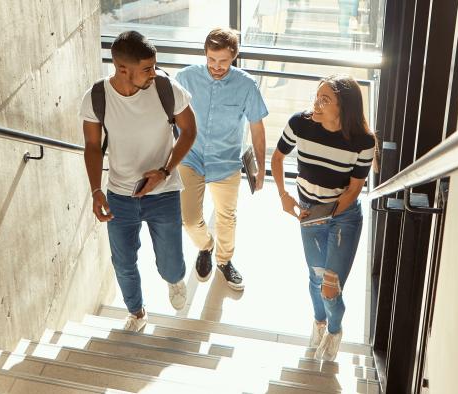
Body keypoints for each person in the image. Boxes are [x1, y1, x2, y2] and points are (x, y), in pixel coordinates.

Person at [79, 31, 197, 332]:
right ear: (121, 69)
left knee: (170, 265)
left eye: (154, 66)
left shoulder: (165, 89)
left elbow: (189, 131)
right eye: (147, 69)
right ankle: (137, 312)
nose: (153, 73)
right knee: (123, 262)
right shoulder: (97, 97)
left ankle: (175, 280)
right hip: (120, 195)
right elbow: (93, 146)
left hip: (164, 193)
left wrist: (165, 171)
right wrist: (95, 190)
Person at [271, 75, 376, 361]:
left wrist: (324, 215)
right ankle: (318, 323)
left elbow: (354, 190)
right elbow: (277, 159)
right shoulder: (300, 124)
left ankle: (334, 329)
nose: (315, 105)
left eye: (324, 100)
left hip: (343, 216)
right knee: (315, 279)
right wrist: (284, 196)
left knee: (331, 285)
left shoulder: (363, 141)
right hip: (308, 212)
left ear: (344, 106)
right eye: (316, 97)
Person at [175, 28, 268, 291]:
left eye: (223, 61)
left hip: (226, 161)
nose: (217, 67)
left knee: (227, 216)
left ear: (234, 57)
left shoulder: (246, 85)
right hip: (191, 157)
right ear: (205, 54)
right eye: (211, 60)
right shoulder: (185, 77)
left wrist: (261, 168)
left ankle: (225, 261)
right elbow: (165, 112)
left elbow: (258, 128)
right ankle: (205, 246)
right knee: (189, 219)